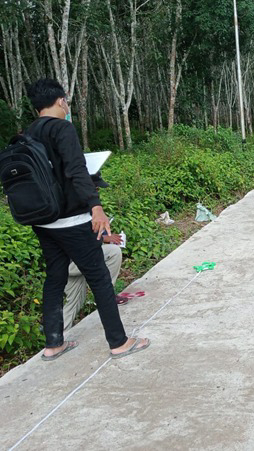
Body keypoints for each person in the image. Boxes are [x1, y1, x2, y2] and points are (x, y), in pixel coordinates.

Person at [25, 78, 149, 360]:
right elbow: (76, 169)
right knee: (99, 277)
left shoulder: (28, 134)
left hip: (43, 221)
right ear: (60, 101)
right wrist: (96, 206)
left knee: (54, 278)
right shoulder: (62, 128)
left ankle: (54, 343)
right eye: (66, 101)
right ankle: (119, 342)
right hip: (71, 219)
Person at [63, 173, 129, 331]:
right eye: (95, 187)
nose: (98, 191)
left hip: (73, 261)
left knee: (74, 302)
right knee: (113, 251)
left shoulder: (83, 205)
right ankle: (107, 295)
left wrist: (104, 235)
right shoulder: (75, 207)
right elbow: (78, 237)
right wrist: (104, 239)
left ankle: (57, 337)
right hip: (72, 262)